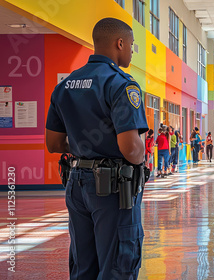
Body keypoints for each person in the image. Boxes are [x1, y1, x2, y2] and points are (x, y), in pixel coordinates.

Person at [45, 18, 148, 279]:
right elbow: (131, 150)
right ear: (120, 43)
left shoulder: (65, 86)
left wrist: (83, 146)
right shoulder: (121, 85)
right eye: (132, 45)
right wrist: (139, 152)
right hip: (112, 190)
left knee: (83, 265)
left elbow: (54, 144)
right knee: (117, 263)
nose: (132, 50)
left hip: (76, 185)